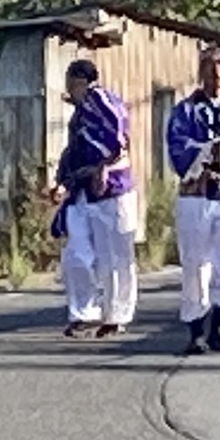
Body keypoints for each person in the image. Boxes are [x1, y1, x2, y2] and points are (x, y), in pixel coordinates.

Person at [166, 45, 220, 354]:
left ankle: (218, 327)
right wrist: (209, 149)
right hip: (195, 196)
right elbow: (177, 149)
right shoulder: (184, 111)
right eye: (209, 64)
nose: (216, 71)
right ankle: (196, 328)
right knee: (195, 264)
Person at [53, 58, 138, 339]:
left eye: (71, 83)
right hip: (82, 191)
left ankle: (116, 315)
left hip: (111, 188)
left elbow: (119, 135)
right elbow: (73, 153)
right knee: (76, 254)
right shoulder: (79, 114)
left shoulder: (100, 99)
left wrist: (104, 166)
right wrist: (61, 183)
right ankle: (84, 312)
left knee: (115, 257)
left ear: (81, 82)